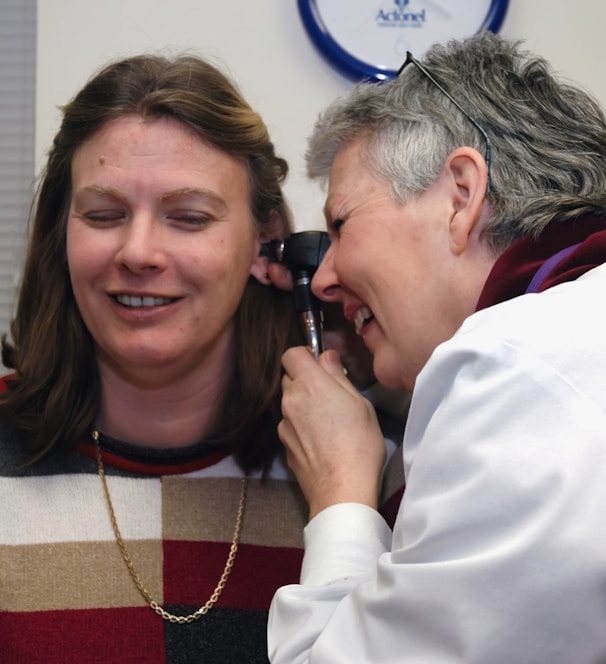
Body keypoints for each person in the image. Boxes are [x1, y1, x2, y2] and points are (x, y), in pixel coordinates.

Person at [268, 31, 606, 663]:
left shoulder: (517, 374)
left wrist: (341, 489)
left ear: (460, 194)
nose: (321, 279)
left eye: (341, 225)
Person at [0, 52, 308, 663]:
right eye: (104, 215)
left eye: (188, 218)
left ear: (264, 240)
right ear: (61, 232)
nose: (138, 251)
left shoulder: (362, 475)